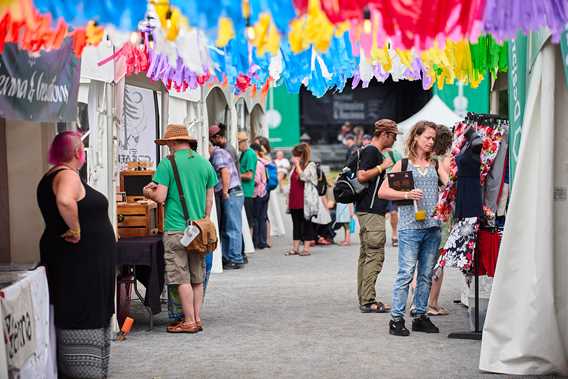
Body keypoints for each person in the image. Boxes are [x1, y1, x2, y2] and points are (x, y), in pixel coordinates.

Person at [37, 131, 116, 378]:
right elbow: (65, 201)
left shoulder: (55, 174)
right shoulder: (67, 175)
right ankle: (83, 369)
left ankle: (89, 367)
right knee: (82, 309)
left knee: (86, 307)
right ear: (76, 153)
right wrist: (76, 228)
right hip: (79, 263)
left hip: (81, 261)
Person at [144, 124, 218, 334]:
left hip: (176, 229)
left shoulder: (168, 164)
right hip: (198, 230)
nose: (168, 148)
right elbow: (209, 200)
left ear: (174, 143)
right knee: (197, 276)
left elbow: (160, 197)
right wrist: (203, 220)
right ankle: (196, 317)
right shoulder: (204, 163)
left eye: (168, 144)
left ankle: (188, 321)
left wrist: (147, 191)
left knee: (180, 277)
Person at [378, 121, 449, 337]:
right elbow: (383, 191)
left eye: (433, 139)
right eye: (427, 137)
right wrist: (407, 194)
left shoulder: (436, 164)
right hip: (409, 227)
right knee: (406, 273)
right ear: (416, 137)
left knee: (427, 274)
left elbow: (449, 187)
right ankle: (396, 319)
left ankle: (420, 315)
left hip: (433, 227)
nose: (430, 142)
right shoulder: (404, 164)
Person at [355, 119, 398, 313]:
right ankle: (368, 300)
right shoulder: (372, 151)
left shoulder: (369, 150)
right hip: (372, 211)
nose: (395, 140)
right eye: (394, 135)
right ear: (385, 134)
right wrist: (384, 166)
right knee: (374, 255)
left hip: (365, 209)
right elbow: (362, 175)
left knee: (366, 256)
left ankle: (364, 297)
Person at [427, 124, 453, 316]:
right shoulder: (442, 161)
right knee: (438, 262)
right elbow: (449, 185)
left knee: (425, 260)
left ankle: (424, 301)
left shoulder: (425, 160)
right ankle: (432, 303)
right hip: (441, 215)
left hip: (426, 213)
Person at [209, 134, 244, 270]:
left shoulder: (218, 154)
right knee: (230, 225)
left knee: (232, 226)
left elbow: (225, 173)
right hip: (234, 191)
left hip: (232, 191)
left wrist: (224, 191)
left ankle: (235, 258)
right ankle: (231, 256)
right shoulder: (221, 152)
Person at [287, 143, 317, 256]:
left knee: (306, 224)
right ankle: (295, 248)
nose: (294, 157)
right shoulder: (294, 166)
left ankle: (306, 249)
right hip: (294, 199)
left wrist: (298, 165)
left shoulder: (310, 165)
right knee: (296, 224)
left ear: (302, 155)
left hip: (305, 200)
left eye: (296, 155)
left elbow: (304, 177)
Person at [382, 147, 403, 247]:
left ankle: (394, 235)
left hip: (391, 187)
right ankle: (380, 235)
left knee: (393, 212)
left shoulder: (394, 153)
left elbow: (403, 168)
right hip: (378, 188)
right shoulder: (375, 152)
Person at [251, 143, 270, 249]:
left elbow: (256, 180)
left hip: (257, 193)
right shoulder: (263, 162)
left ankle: (256, 242)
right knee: (262, 218)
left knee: (255, 219)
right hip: (264, 192)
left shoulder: (256, 163)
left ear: (255, 151)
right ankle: (262, 241)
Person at [238, 131, 257, 240]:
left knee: (249, 219)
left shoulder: (249, 154)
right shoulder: (244, 153)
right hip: (244, 191)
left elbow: (249, 175)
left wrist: (236, 175)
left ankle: (249, 243)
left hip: (247, 191)